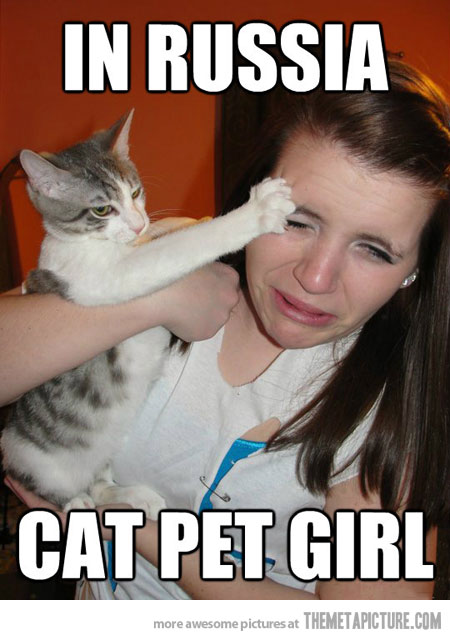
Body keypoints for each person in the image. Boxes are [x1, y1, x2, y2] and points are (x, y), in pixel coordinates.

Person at [2, 56, 449, 600]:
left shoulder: (390, 405)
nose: (314, 278)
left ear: (415, 270)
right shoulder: (164, 250)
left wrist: (135, 531)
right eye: (295, 220)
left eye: (374, 250)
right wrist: (154, 297)